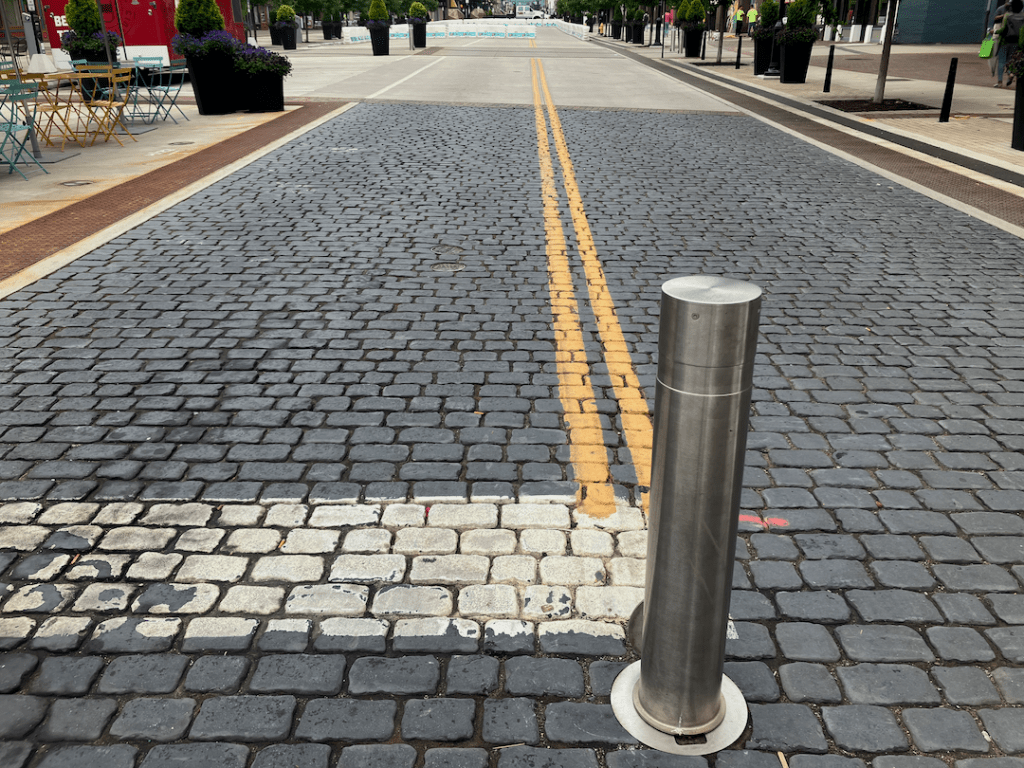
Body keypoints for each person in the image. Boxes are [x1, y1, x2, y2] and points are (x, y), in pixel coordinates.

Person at [996, 0, 1024, 87]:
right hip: (1017, 41)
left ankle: (1000, 82)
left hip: (1005, 40)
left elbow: (1004, 29)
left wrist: (996, 31)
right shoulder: (1023, 16)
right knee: (1011, 61)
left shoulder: (1007, 16)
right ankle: (1011, 74)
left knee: (1001, 61)